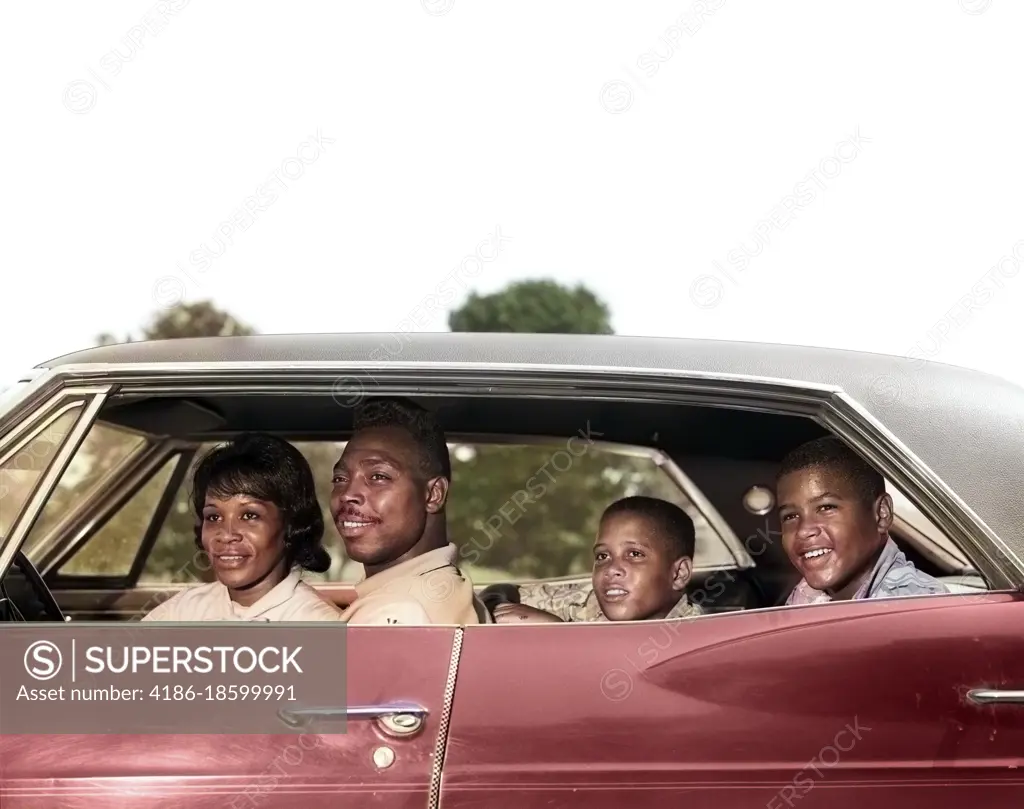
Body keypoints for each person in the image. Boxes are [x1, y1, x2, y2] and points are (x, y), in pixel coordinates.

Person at [143, 433, 344, 621]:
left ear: (291, 524)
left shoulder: (319, 625)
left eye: (249, 515)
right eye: (213, 517)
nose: (226, 535)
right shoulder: (181, 611)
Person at [331, 398, 487, 625]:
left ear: (434, 494)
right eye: (340, 478)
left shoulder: (395, 613)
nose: (347, 494)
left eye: (378, 477)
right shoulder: (444, 588)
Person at [776, 436, 949, 604]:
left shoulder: (914, 607)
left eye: (826, 508)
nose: (804, 530)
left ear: (882, 514)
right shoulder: (806, 597)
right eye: (790, 516)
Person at [494, 496, 704, 623]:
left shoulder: (695, 641)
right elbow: (502, 593)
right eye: (602, 556)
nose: (611, 569)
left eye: (634, 554)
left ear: (679, 574)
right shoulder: (589, 601)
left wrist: (559, 633)